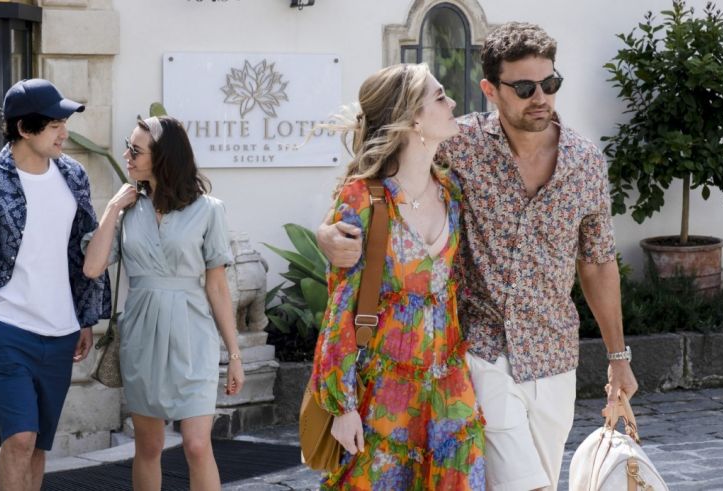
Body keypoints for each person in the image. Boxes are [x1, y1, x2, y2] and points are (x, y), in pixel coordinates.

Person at [317, 22, 639, 491]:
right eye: (526, 87)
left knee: (543, 478)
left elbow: (598, 262)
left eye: (550, 84)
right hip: (480, 350)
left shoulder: (585, 163)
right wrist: (327, 233)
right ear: (490, 89)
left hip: (554, 354)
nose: (541, 97)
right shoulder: (460, 146)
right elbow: (381, 175)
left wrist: (618, 357)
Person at [310, 63, 486, 490]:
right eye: (441, 97)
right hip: (381, 393)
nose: (453, 104)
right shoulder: (362, 198)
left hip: (448, 388)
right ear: (413, 119)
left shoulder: (451, 191)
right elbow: (340, 307)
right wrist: (342, 405)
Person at [0, 78, 108, 491]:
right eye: (54, 125)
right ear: (24, 129)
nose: (64, 133)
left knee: (38, 445)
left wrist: (84, 318)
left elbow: (77, 253)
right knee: (19, 437)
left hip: (62, 329)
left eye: (63, 123)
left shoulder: (74, 176)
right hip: (6, 329)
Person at [82, 115, 245, 491]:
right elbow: (92, 268)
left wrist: (234, 355)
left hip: (193, 335)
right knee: (149, 445)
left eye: (136, 151)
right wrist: (111, 210)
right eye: (129, 147)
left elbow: (218, 287)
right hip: (142, 335)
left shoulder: (209, 210)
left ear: (163, 158)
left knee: (198, 444)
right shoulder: (127, 210)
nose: (127, 155)